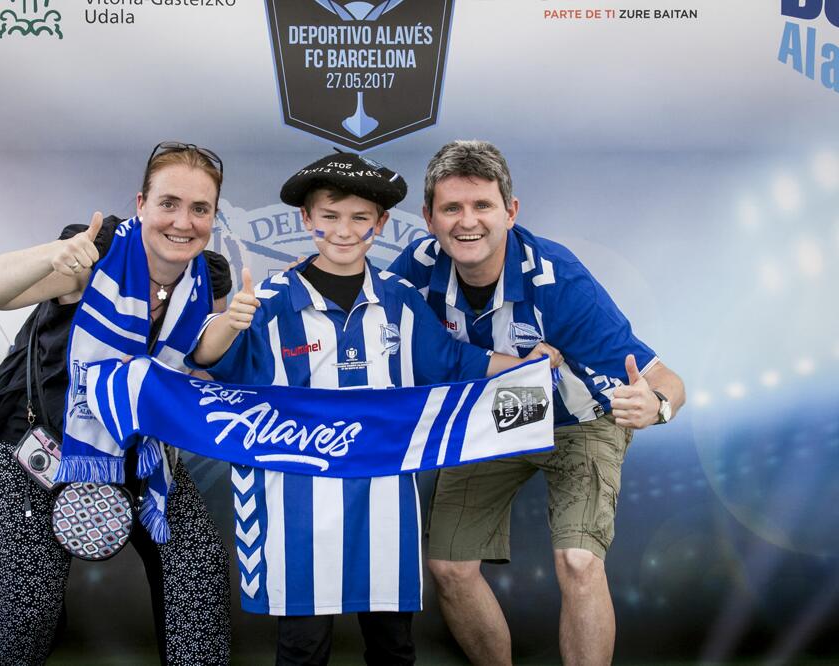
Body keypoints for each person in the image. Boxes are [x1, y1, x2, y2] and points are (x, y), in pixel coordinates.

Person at [188, 152, 561, 666]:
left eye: (360, 218)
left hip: (385, 501)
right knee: (302, 647)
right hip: (301, 502)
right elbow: (212, 365)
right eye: (330, 216)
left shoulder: (402, 300)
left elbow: (456, 362)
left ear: (380, 223)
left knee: (393, 645)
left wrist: (526, 364)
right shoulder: (270, 299)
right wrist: (230, 322)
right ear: (307, 219)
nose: (344, 231)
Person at [387, 140, 687, 666]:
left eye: (482, 205)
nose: (467, 222)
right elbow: (359, 307)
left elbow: (665, 376)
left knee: (577, 561)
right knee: (450, 569)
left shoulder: (558, 279)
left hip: (580, 420)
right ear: (429, 218)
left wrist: (656, 405)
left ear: (511, 210)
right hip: (491, 419)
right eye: (451, 208)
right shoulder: (417, 268)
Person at [0, 142, 232, 666]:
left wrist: (234, 327)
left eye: (200, 209)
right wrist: (53, 255)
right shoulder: (98, 251)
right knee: (30, 605)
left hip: (141, 450)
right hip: (39, 445)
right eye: (169, 203)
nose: (184, 221)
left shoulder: (210, 276)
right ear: (142, 203)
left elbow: (204, 359)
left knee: (197, 570)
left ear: (213, 216)